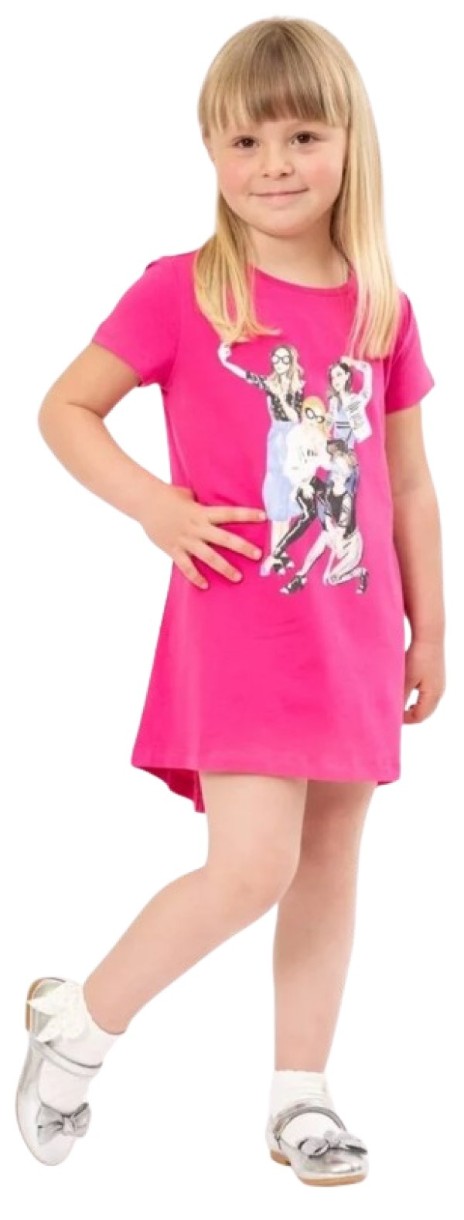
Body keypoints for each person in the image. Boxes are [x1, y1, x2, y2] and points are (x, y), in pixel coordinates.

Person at [15, 16, 446, 1188]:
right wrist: (155, 506)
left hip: (352, 629)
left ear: (349, 141)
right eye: (244, 139)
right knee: (250, 865)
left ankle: (301, 1093)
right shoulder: (182, 289)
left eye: (301, 135)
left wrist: (430, 626)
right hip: (242, 625)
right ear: (210, 149)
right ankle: (77, 1025)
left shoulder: (380, 305)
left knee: (328, 862)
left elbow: (407, 480)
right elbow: (65, 408)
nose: (273, 163)